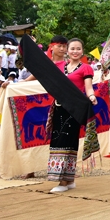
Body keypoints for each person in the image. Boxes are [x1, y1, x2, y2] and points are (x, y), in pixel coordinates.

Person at [46, 38, 96, 193]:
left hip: (74, 109)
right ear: (67, 50)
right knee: (58, 140)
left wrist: (92, 96)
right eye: (72, 48)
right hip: (59, 108)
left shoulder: (86, 68)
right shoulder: (59, 66)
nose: (75, 51)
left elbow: (88, 87)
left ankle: (64, 181)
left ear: (82, 51)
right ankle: (68, 179)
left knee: (68, 142)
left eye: (78, 49)